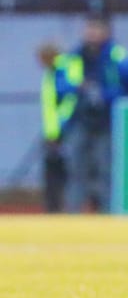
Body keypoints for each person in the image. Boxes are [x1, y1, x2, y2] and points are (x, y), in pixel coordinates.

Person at [59, 18, 126, 212]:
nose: (93, 34)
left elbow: (125, 85)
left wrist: (103, 94)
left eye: (97, 29)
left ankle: (108, 213)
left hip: (106, 122)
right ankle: (73, 214)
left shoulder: (116, 56)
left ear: (106, 32)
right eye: (90, 29)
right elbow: (60, 86)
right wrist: (79, 88)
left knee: (106, 170)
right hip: (79, 120)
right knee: (75, 170)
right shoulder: (73, 57)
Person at [38, 43, 73, 213]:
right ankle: (53, 208)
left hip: (63, 132)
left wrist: (59, 129)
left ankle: (62, 208)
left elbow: (66, 100)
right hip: (53, 132)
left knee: (64, 173)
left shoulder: (61, 70)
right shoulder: (50, 73)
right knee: (52, 173)